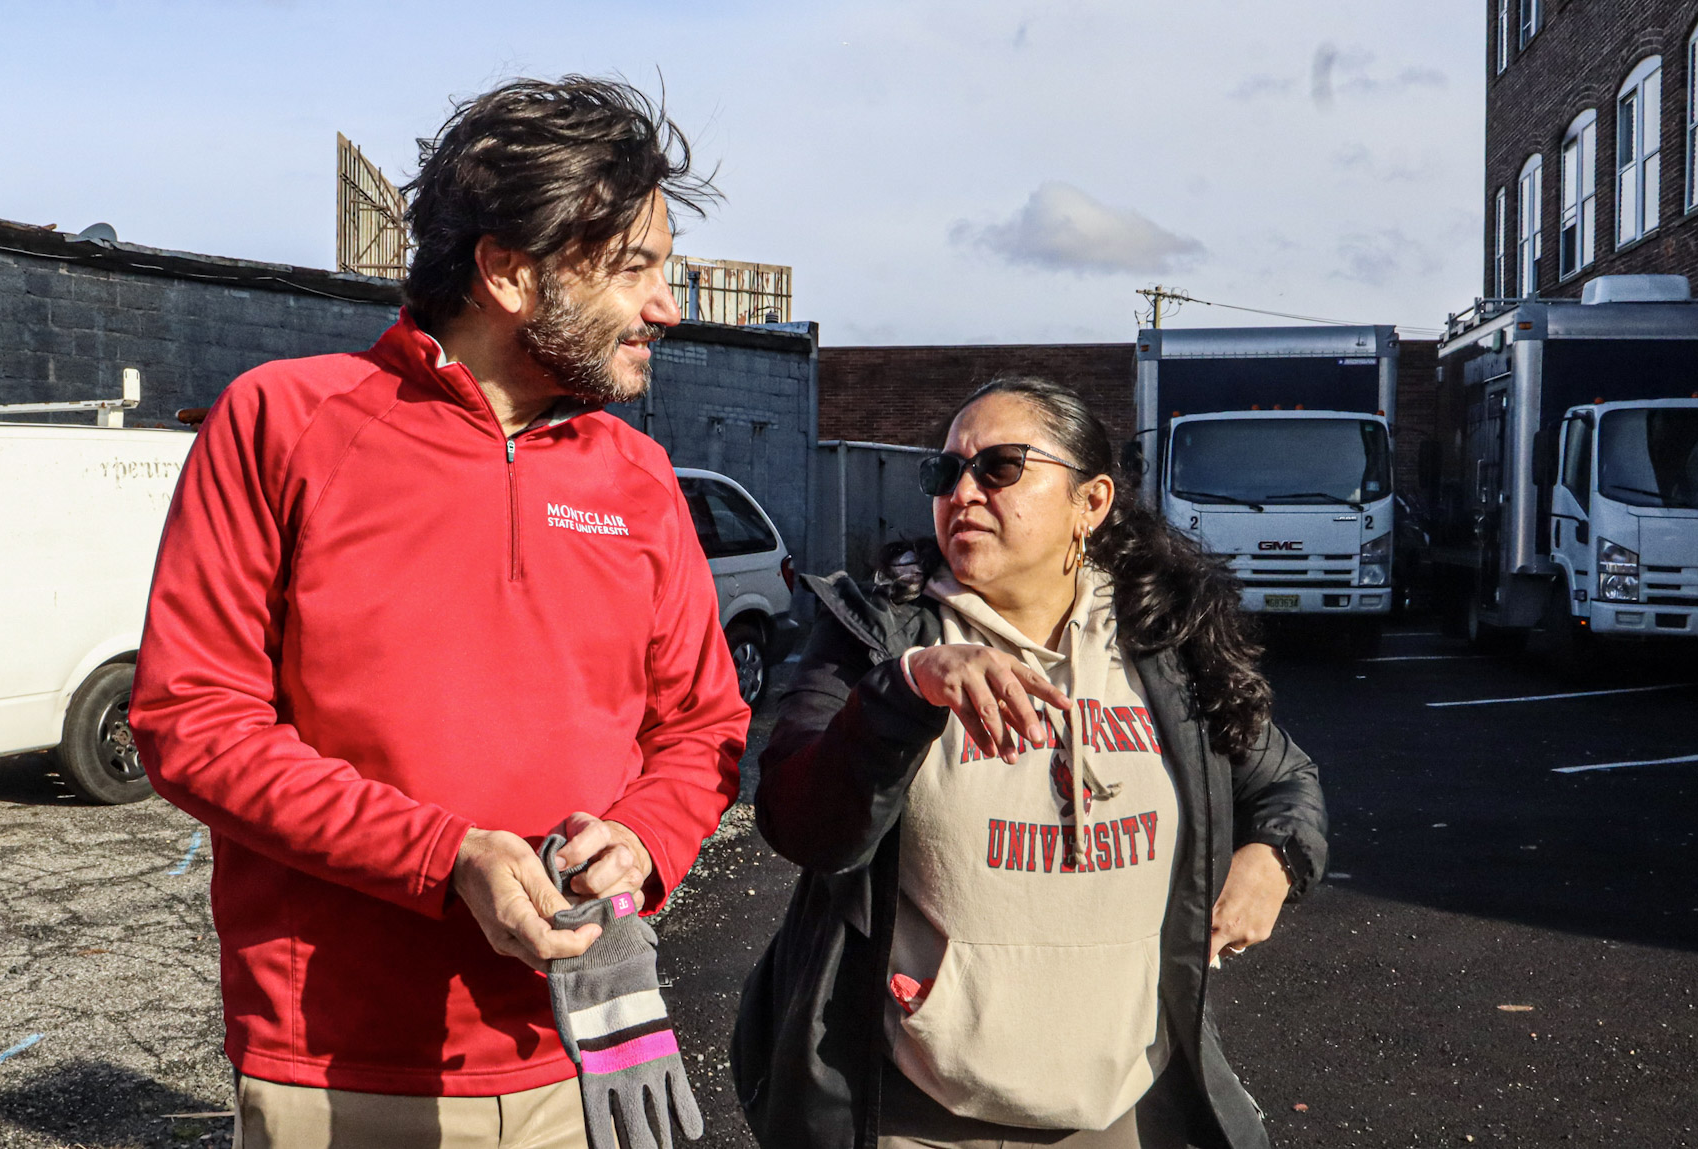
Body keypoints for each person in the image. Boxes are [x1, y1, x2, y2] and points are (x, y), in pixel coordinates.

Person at [130, 77, 747, 1149]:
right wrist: (445, 856)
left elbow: (702, 727)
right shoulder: (282, 421)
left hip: (585, 1058)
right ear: (509, 271)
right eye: (636, 268)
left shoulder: (638, 475)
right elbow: (192, 722)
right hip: (341, 1070)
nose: (668, 306)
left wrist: (641, 842)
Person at [731, 378, 1328, 1149]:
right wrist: (910, 686)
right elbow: (801, 821)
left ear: (1092, 501)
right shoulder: (878, 636)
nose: (964, 492)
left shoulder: (1161, 646)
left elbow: (1284, 779)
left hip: (1114, 1114)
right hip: (919, 1116)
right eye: (946, 474)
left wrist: (1276, 856)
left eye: (1001, 466)